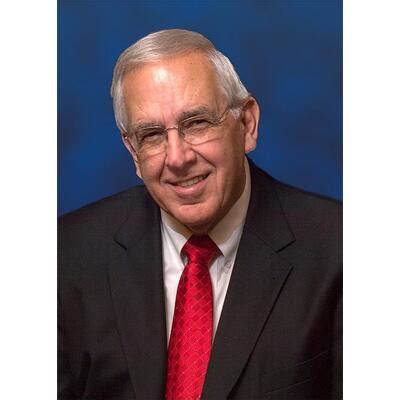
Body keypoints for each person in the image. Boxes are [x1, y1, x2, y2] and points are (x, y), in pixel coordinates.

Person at [58, 29, 342, 399]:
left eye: (197, 123)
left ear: (247, 124)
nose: (177, 158)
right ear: (133, 153)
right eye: (152, 134)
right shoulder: (66, 256)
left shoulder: (340, 249)